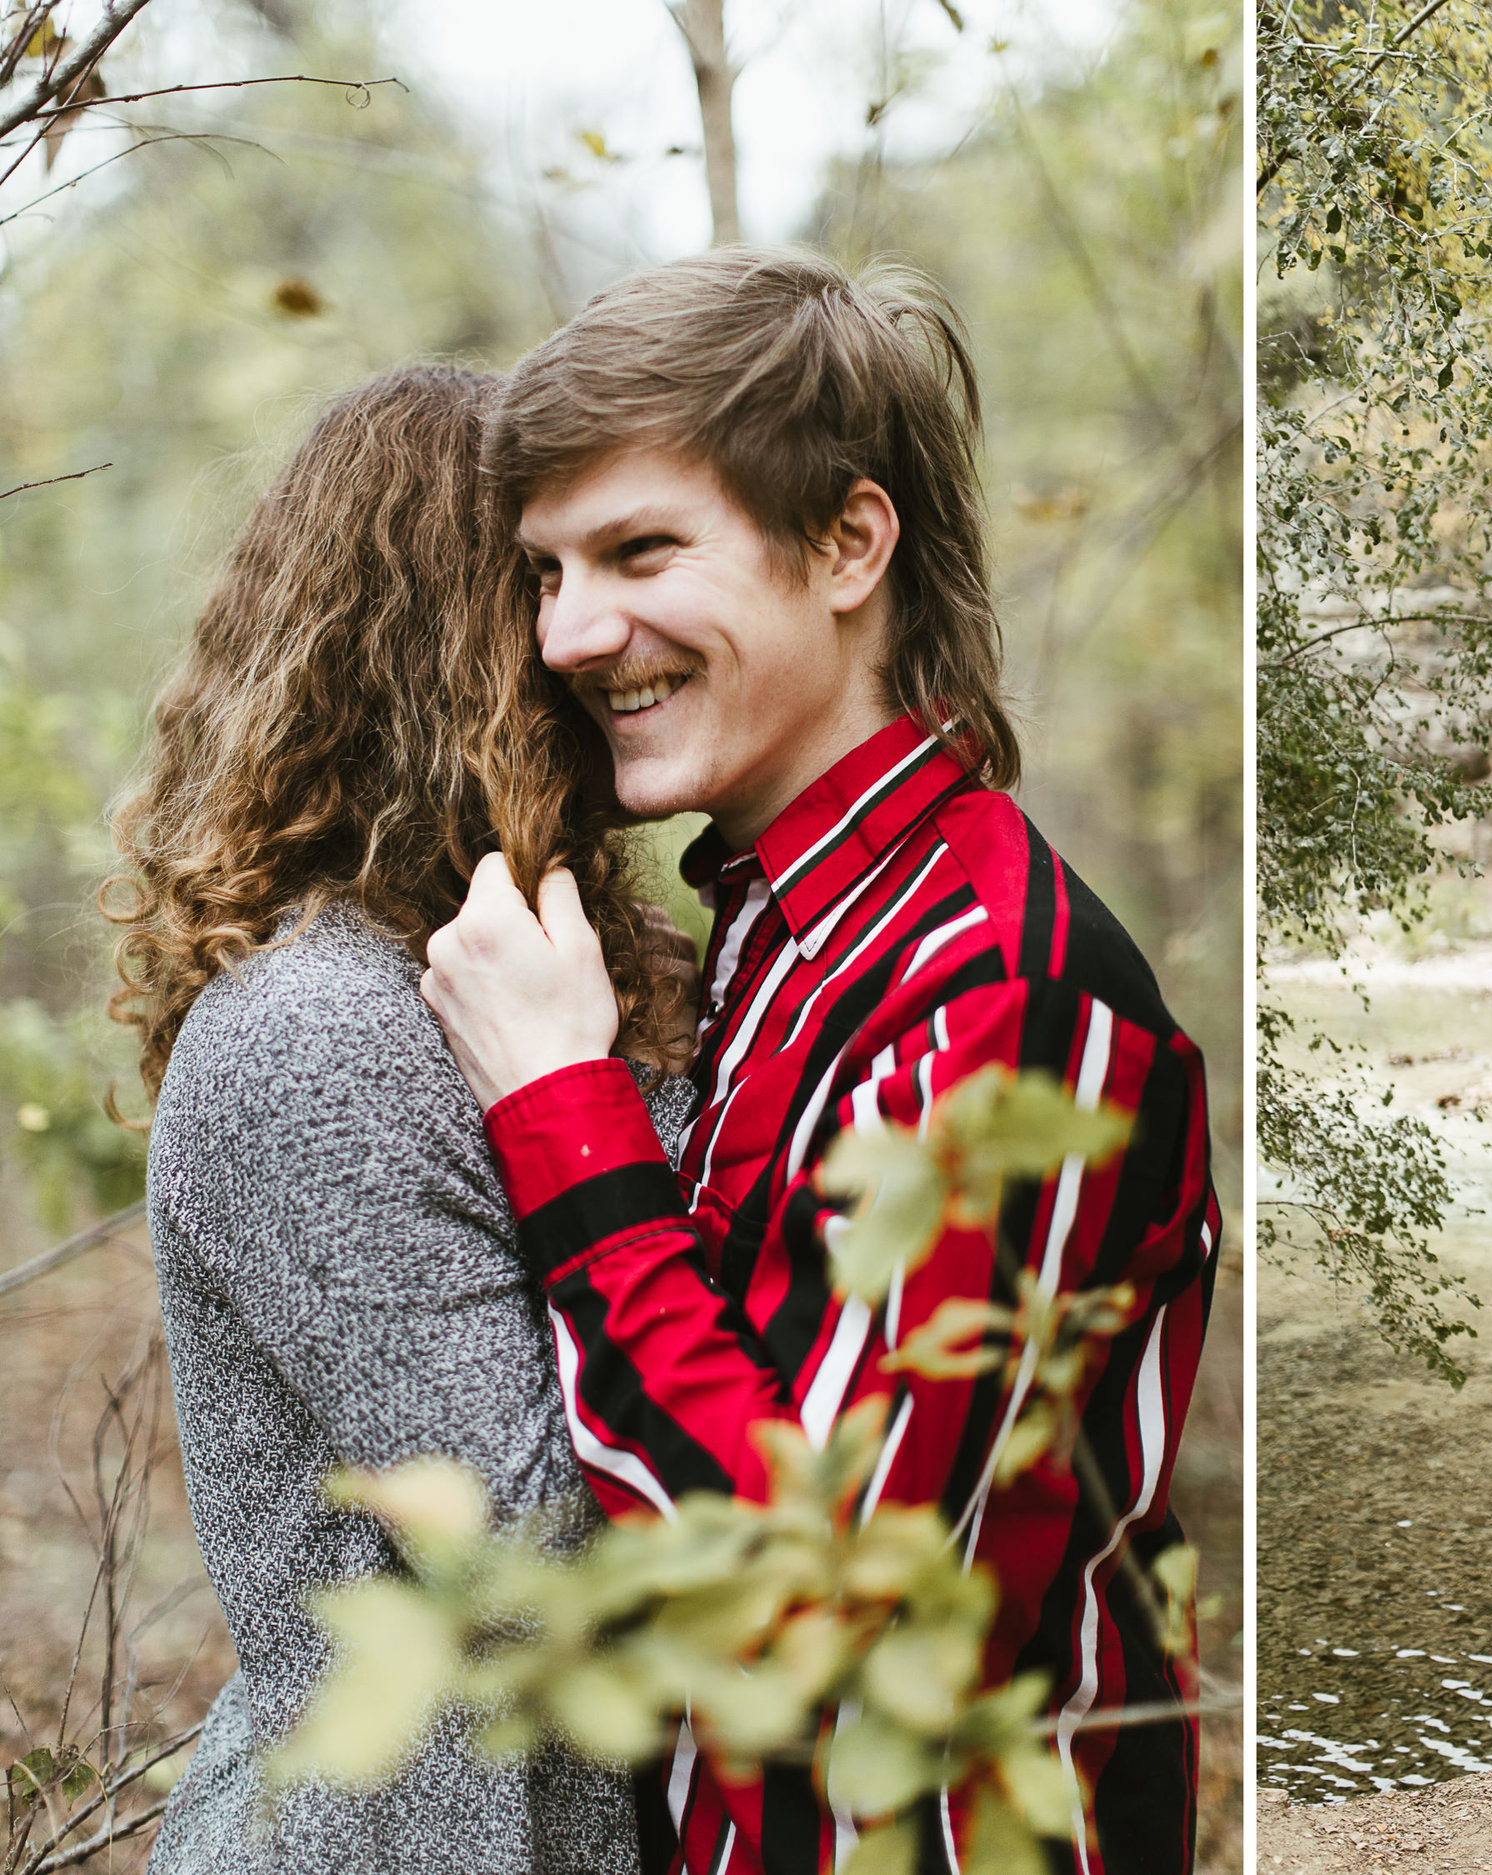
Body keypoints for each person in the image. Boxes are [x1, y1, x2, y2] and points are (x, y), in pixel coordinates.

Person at [419, 248, 1219, 1875]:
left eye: (639, 550)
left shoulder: (1002, 995)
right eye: (547, 572)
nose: (573, 632)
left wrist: (563, 1118)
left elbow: (820, 1602)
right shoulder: (783, 925)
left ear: (850, 541)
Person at [113, 366, 694, 1873]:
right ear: (456, 645)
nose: (599, 635)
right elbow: (528, 1558)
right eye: (549, 585)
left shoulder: (607, 972)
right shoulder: (316, 1037)